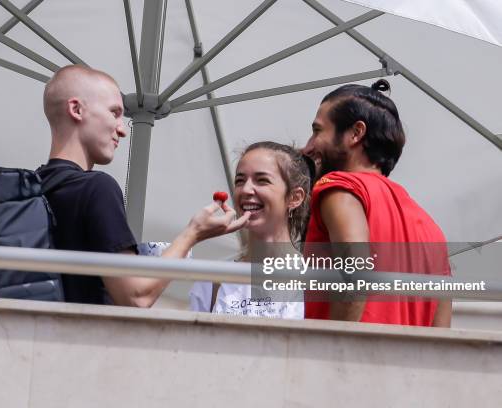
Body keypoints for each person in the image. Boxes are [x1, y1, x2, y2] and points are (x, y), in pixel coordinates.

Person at [38, 65, 250, 307]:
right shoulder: (97, 187)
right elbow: (136, 296)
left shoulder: (29, 189)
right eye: (114, 112)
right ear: (76, 109)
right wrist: (192, 234)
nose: (122, 129)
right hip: (80, 340)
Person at [301, 79, 452, 327]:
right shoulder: (429, 225)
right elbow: (442, 329)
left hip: (347, 360)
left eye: (317, 131)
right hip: (410, 364)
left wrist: (328, 352)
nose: (308, 146)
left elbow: (355, 277)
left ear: (355, 133)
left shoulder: (339, 187)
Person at [190, 141, 312, 318]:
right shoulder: (212, 280)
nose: (246, 189)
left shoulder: (318, 280)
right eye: (240, 181)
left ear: (294, 197)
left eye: (262, 180)